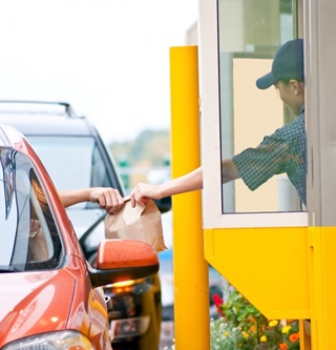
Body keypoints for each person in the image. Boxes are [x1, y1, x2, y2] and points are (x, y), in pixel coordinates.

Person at [130, 38, 306, 208]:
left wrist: (160, 189)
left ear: (294, 86)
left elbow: (228, 170)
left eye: (277, 88)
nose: (279, 96)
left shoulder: (292, 137)